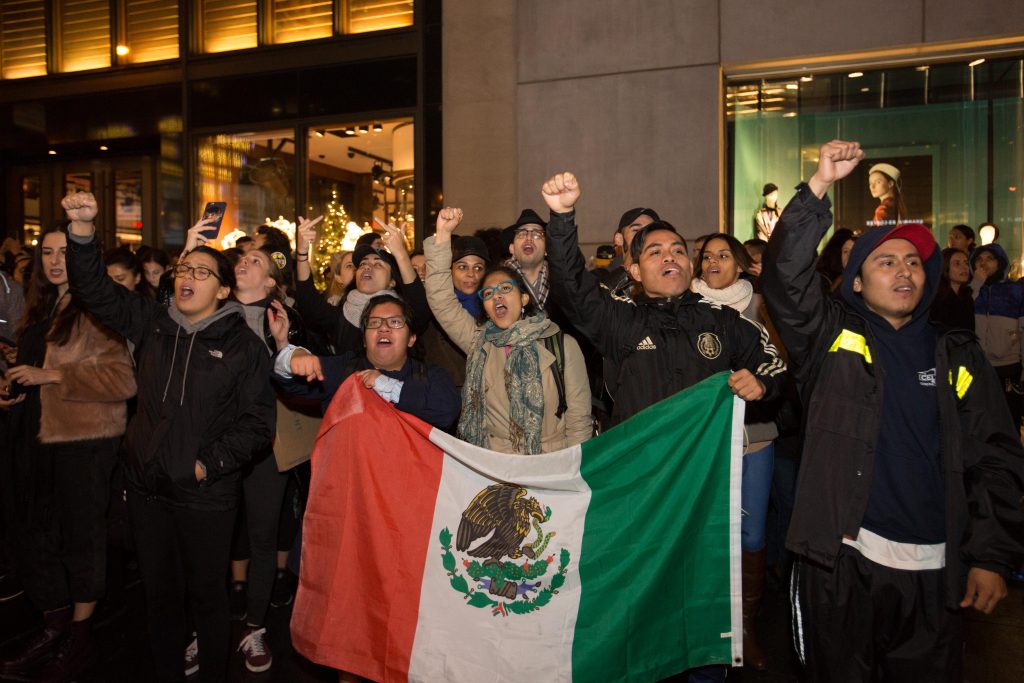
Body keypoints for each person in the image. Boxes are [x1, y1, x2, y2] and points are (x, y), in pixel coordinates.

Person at [761, 139, 1024, 682]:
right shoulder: (829, 339)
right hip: (840, 565)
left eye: (913, 262)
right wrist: (819, 186)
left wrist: (991, 556)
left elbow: (996, 459)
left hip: (935, 572)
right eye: (885, 261)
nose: (903, 270)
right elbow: (785, 277)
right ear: (856, 281)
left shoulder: (958, 354)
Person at [543, 172, 785, 682]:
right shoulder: (620, 321)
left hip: (704, 497)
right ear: (633, 268)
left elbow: (778, 369)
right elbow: (571, 286)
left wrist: (763, 385)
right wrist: (562, 218)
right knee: (641, 609)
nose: (669, 257)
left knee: (702, 610)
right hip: (639, 496)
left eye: (678, 249)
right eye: (654, 251)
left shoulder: (723, 322)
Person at [61, 192, 276, 683]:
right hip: (147, 490)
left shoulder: (242, 345)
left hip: (205, 496)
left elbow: (258, 424)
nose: (188, 278)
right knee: (158, 597)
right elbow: (94, 288)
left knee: (206, 596)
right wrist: (81, 234)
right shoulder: (152, 323)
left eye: (203, 273)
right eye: (185, 270)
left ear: (223, 291)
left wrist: (207, 464)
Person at [0, 224, 136, 682]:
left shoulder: (99, 309)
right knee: (35, 536)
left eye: (65, 251)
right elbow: (30, 372)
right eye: (48, 252)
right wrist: (13, 386)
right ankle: (54, 627)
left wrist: (54, 377)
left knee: (82, 541)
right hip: (35, 438)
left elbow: (124, 382)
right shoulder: (40, 308)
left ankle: (79, 639)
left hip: (84, 443)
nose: (57, 260)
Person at [426, 208, 592, 454]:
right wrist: (442, 235)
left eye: (505, 288)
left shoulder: (563, 345)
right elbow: (441, 298)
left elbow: (579, 422)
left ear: (524, 298)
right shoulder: (479, 342)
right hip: (494, 468)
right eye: (489, 293)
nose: (497, 296)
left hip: (549, 467)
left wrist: (572, 474)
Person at [690, 232, 779, 670]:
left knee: (753, 535)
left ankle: (746, 628)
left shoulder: (762, 308)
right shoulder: (686, 306)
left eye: (724, 255)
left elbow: (782, 364)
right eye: (707, 257)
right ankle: (709, 626)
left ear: (741, 264)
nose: (714, 262)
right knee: (708, 534)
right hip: (702, 441)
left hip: (755, 435)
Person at [293, 216, 431, 356]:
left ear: (392, 282)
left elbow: (420, 306)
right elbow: (308, 304)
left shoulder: (404, 313)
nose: (367, 267)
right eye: (363, 264)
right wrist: (302, 253)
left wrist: (401, 253)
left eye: (377, 264)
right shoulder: (343, 314)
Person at [419, 235, 489, 389]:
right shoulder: (433, 308)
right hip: (444, 397)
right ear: (449, 270)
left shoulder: (494, 310)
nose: (471, 274)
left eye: (478, 268)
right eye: (462, 267)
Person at [969, 242, 1024, 427]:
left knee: (1009, 419)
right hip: (977, 365)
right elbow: (961, 313)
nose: (984, 263)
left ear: (1000, 262)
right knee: (982, 422)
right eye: (979, 259)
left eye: (990, 259)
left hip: (1008, 365)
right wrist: (976, 284)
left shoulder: (1016, 291)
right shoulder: (970, 289)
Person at [596, 207, 660, 300]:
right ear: (619, 239)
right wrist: (626, 270)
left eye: (651, 231)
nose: (645, 236)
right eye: (636, 230)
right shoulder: (598, 277)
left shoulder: (664, 276)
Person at [500, 209, 551, 310]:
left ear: (547, 249)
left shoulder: (562, 282)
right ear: (512, 248)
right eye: (522, 233)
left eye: (537, 234)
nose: (529, 238)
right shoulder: (498, 283)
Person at [930, 247, 974, 331]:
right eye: (957, 264)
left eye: (966, 263)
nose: (964, 268)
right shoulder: (936, 298)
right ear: (945, 267)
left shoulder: (967, 296)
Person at [867, 162, 905, 227]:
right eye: (870, 183)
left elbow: (877, 234)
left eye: (878, 182)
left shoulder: (882, 210)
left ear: (890, 184)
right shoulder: (898, 204)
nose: (872, 186)